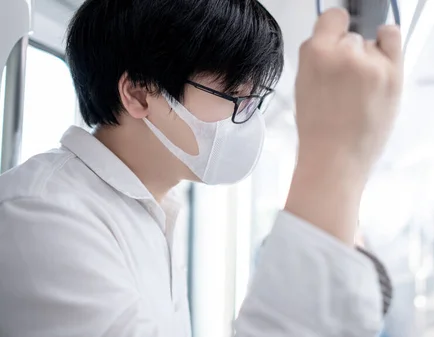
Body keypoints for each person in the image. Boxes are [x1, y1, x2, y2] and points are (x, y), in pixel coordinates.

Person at [0, 0, 403, 336]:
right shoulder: (42, 216)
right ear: (139, 93)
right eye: (233, 96)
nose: (247, 119)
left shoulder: (157, 208)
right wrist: (334, 158)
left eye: (253, 101)